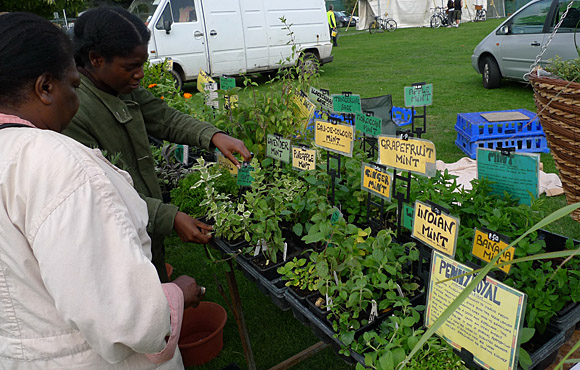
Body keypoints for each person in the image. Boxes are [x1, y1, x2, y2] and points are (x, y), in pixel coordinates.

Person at [0, 12, 203, 369]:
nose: (76, 99)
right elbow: (129, 321)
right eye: (74, 86)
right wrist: (175, 294)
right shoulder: (56, 163)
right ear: (45, 88)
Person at [63, 6, 252, 282]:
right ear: (96, 59)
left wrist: (213, 136)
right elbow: (102, 196)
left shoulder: (116, 87)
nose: (140, 74)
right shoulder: (74, 112)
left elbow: (164, 118)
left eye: (142, 64)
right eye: (130, 66)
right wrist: (168, 217)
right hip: (116, 244)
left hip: (144, 228)